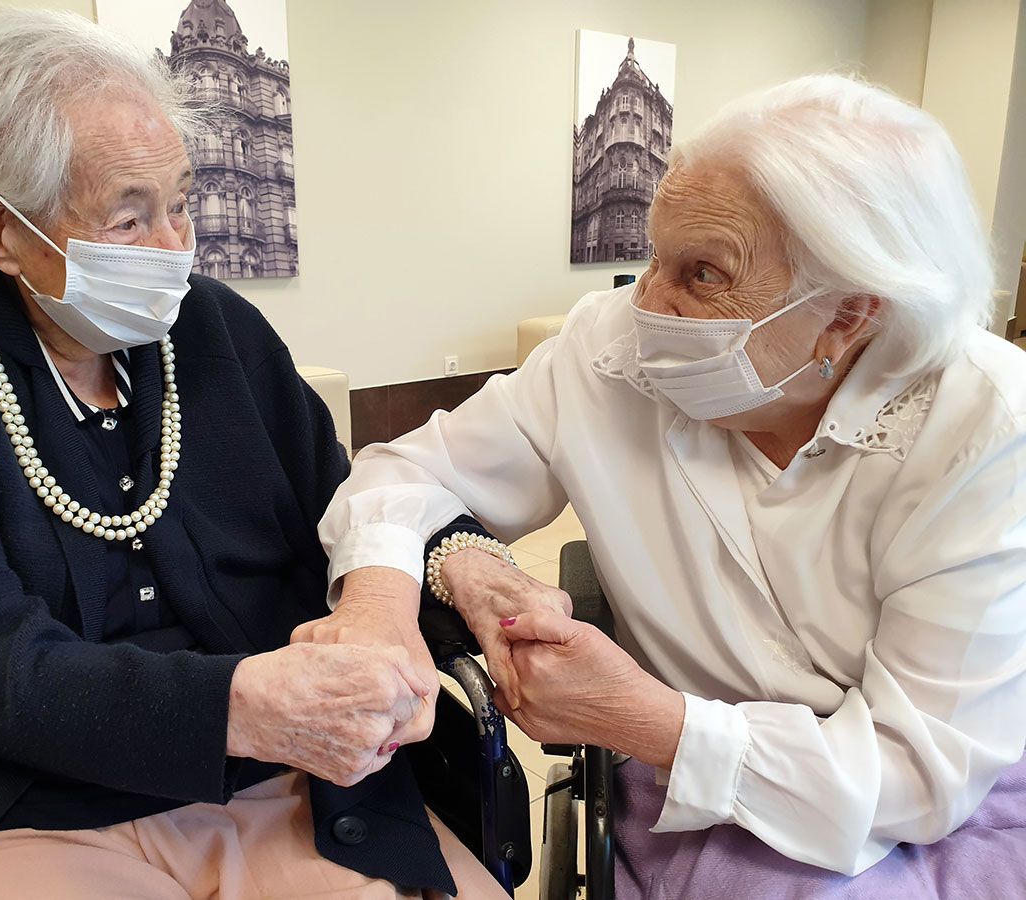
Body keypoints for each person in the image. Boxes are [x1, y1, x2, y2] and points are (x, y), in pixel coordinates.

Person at [0, 10, 504, 899]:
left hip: (290, 784)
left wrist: (462, 565)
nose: (177, 247)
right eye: (129, 217)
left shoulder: (217, 327)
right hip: (18, 801)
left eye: (181, 201)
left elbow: (353, 505)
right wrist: (247, 708)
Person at [317, 74, 1026, 896]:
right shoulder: (607, 347)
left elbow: (918, 775)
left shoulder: (985, 427)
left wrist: (646, 719)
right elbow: (400, 471)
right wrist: (426, 583)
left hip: (943, 794)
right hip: (692, 794)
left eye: (703, 275)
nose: (647, 304)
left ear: (848, 314)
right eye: (654, 254)